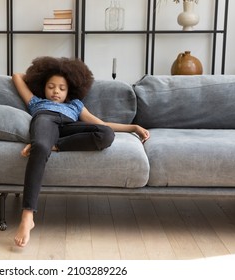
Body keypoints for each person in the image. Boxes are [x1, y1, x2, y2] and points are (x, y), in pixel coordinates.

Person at [12, 56, 150, 247]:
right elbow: (17, 76)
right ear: (43, 87)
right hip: (45, 120)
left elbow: (101, 125)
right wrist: (40, 74)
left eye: (62, 88)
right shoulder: (36, 102)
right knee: (41, 148)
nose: (55, 92)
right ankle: (27, 217)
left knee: (106, 134)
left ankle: (54, 145)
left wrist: (133, 127)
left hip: (71, 126)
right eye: (51, 86)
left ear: (69, 90)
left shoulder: (75, 105)